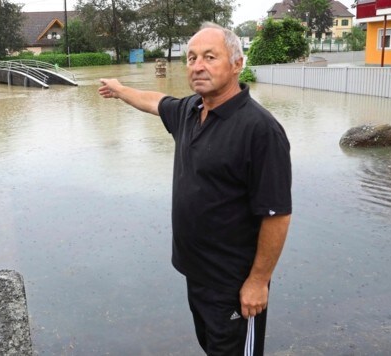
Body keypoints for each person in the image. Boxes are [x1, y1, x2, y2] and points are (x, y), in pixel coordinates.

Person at [98, 22, 292, 355]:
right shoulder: (191, 111)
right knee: (212, 346)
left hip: (234, 282)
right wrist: (119, 89)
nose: (197, 66)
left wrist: (258, 282)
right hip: (197, 274)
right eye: (191, 58)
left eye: (209, 57)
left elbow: (277, 215)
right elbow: (154, 100)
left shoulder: (260, 130)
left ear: (237, 64)